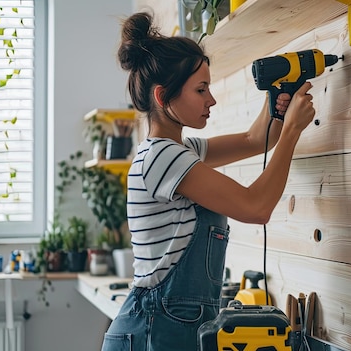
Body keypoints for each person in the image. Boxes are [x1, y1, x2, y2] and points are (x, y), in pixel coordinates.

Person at [101, 11, 316, 351]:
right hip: (152, 331)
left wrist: (276, 104)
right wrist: (292, 130)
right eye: (201, 89)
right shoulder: (162, 157)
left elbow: (253, 139)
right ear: (162, 97)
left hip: (164, 326)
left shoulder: (178, 151)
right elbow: (256, 207)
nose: (211, 99)